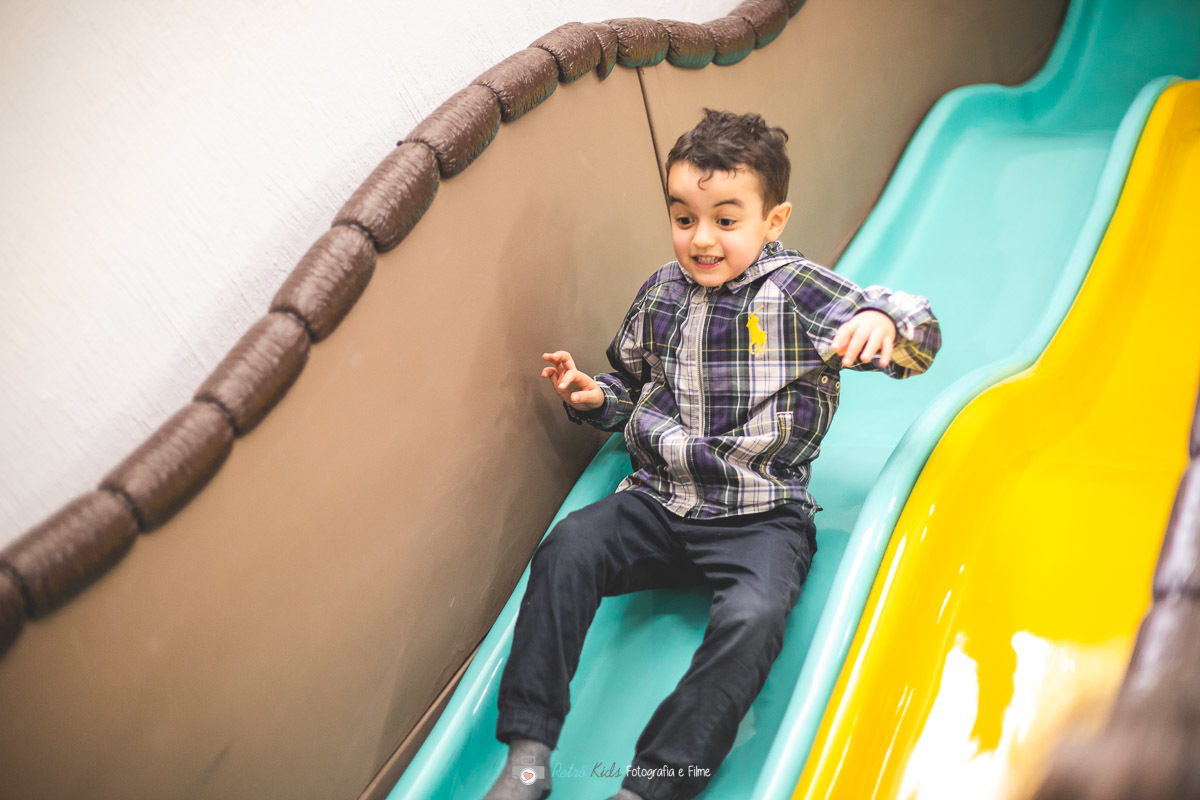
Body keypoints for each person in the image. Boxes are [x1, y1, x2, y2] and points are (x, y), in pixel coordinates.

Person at [482, 109, 941, 800]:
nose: (702, 239)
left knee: (754, 617)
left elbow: (915, 326)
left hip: (760, 515)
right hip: (658, 501)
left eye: (727, 220)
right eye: (685, 217)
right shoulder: (661, 293)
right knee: (567, 546)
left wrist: (881, 319)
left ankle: (654, 784)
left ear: (773, 220)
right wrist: (590, 398)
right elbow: (633, 385)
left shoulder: (795, 291)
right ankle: (527, 753)